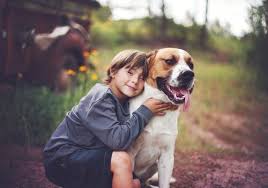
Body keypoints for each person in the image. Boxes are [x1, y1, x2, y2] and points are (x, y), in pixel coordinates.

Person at [43, 49, 176, 188]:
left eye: (142, 77)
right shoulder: (101, 98)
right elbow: (117, 142)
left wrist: (167, 104)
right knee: (121, 160)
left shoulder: (126, 100)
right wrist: (145, 111)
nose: (135, 81)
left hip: (89, 156)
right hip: (62, 160)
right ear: (113, 71)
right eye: (130, 72)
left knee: (135, 183)